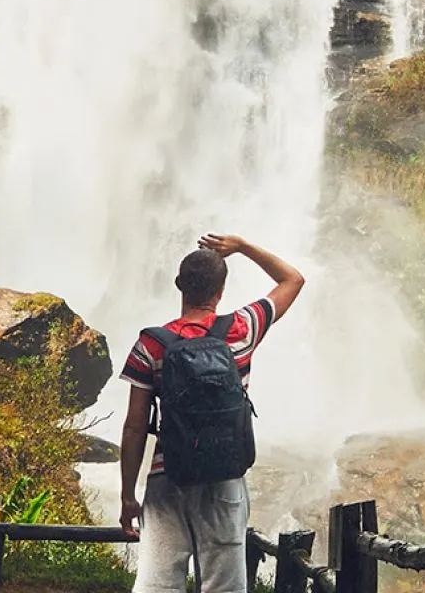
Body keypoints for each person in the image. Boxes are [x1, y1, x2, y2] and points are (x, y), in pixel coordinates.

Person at [117, 233, 305, 593]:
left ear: (179, 286)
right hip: (224, 477)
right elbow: (293, 279)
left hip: (167, 476)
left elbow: (134, 426)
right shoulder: (242, 330)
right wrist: (243, 247)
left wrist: (129, 495)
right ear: (221, 290)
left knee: (157, 584)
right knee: (224, 586)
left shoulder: (150, 345)